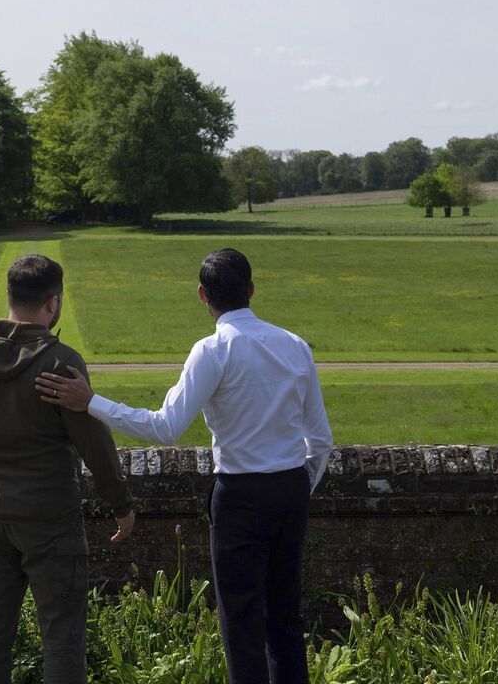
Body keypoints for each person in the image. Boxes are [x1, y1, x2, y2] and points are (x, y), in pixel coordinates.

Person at [37, 247, 331, 684]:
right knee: (286, 614)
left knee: (241, 620)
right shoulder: (294, 345)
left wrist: (92, 402)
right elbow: (320, 439)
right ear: (251, 289)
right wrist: (298, 485)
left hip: (240, 496)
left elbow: (166, 426)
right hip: (290, 488)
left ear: (202, 296)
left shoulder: (213, 351)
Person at [0, 254, 137, 684]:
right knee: (62, 635)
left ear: (10, 295)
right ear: (53, 303)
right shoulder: (60, 364)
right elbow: (94, 443)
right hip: (51, 518)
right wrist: (121, 505)